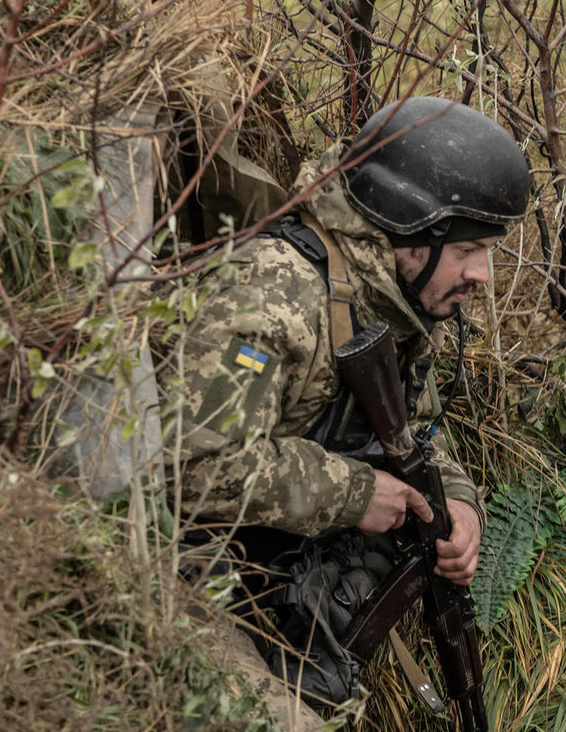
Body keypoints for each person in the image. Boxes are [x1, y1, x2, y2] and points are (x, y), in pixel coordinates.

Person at [164, 96, 532, 728]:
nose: (484, 275)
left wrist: (460, 506)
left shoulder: (395, 297)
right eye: (470, 249)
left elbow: (418, 431)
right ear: (413, 228)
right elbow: (195, 464)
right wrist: (355, 493)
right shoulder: (275, 294)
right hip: (186, 572)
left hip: (277, 571)